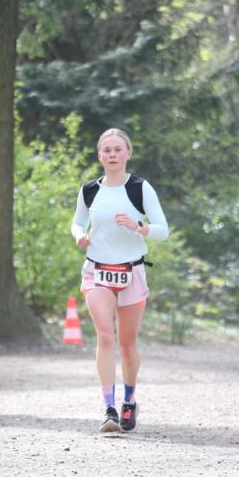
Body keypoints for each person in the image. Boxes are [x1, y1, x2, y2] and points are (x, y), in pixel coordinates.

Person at [71, 128, 169, 433]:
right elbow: (76, 221)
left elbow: (163, 229)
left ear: (128, 154)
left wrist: (139, 226)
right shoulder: (89, 189)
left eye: (118, 149)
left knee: (127, 344)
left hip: (132, 271)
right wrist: (80, 236)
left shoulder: (140, 188)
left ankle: (129, 400)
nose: (112, 155)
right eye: (107, 150)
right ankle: (109, 408)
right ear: (99, 155)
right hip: (97, 270)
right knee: (104, 336)